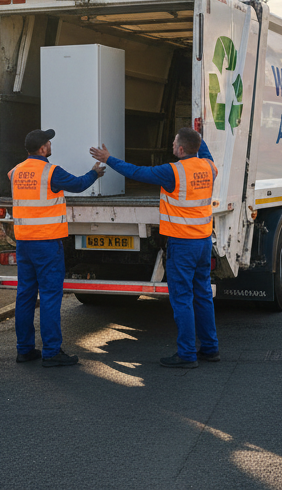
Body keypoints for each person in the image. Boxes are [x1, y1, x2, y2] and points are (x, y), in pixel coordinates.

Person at [91, 127, 218, 369]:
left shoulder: (172, 172)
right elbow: (204, 150)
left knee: (182, 299)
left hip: (182, 244)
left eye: (174, 142)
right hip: (203, 241)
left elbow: (137, 172)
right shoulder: (209, 168)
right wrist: (199, 134)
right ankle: (210, 349)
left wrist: (109, 159)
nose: (171, 145)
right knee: (202, 295)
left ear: (181, 149)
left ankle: (187, 354)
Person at [11, 128, 104, 368]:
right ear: (43, 149)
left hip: (23, 243)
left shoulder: (16, 172)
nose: (51, 145)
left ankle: (24, 349)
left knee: (25, 296)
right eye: (48, 143)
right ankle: (51, 352)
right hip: (47, 243)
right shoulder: (51, 172)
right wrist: (95, 173)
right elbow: (78, 184)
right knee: (51, 297)